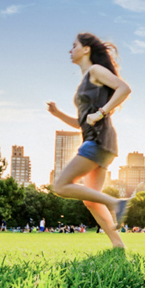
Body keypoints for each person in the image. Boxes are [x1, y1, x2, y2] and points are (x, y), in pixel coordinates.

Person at [47, 32, 132, 248]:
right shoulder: (86, 80)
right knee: (91, 200)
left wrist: (102, 112)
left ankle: (115, 203)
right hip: (100, 140)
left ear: (86, 49)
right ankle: (118, 245)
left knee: (60, 185)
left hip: (98, 139)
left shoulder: (95, 71)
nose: (70, 50)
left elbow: (124, 88)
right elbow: (81, 123)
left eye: (74, 45)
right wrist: (58, 114)